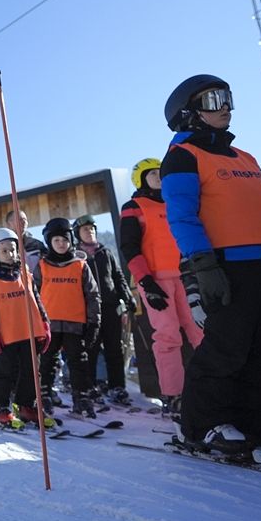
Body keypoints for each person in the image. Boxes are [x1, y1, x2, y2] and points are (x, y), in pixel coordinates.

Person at [160, 74, 261, 456]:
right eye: (212, 100)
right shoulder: (182, 157)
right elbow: (182, 216)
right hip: (227, 266)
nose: (224, 106)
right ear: (188, 113)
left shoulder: (246, 158)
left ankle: (258, 417)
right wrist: (203, 265)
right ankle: (203, 425)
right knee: (226, 348)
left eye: (227, 98)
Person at [119, 158, 205, 418]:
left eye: (161, 173)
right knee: (168, 336)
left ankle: (214, 388)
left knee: (201, 332)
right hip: (156, 281)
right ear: (140, 179)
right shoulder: (134, 207)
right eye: (152, 173)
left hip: (187, 277)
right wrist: (145, 281)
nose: (158, 176)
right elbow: (130, 247)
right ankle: (174, 396)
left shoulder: (175, 204)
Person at [0, 227, 50, 427]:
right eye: (4, 251)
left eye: (13, 250)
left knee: (32, 370)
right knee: (5, 371)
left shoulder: (24, 273)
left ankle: (26, 405)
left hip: (30, 330)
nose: (10, 255)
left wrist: (44, 323)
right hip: (6, 333)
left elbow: (36, 299)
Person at [34, 217, 102, 417]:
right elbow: (33, 295)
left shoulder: (80, 265)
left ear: (71, 240)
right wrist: (36, 321)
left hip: (75, 323)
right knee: (47, 361)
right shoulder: (42, 266)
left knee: (78, 361)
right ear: (49, 243)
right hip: (50, 324)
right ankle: (44, 394)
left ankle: (81, 396)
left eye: (64, 240)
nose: (61, 244)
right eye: (56, 241)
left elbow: (92, 295)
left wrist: (94, 322)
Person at [72, 214, 136, 405]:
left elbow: (118, 277)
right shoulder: (76, 256)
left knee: (114, 348)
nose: (89, 231)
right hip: (88, 309)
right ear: (78, 234)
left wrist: (127, 297)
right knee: (89, 349)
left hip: (110, 306)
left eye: (92, 229)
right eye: (85, 229)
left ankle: (117, 387)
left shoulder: (105, 253)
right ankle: (89, 387)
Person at [6, 209, 46, 275]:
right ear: (9, 224)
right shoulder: (2, 247)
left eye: (25, 219)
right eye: (20, 219)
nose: (24, 222)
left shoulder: (37, 245)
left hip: (37, 282)